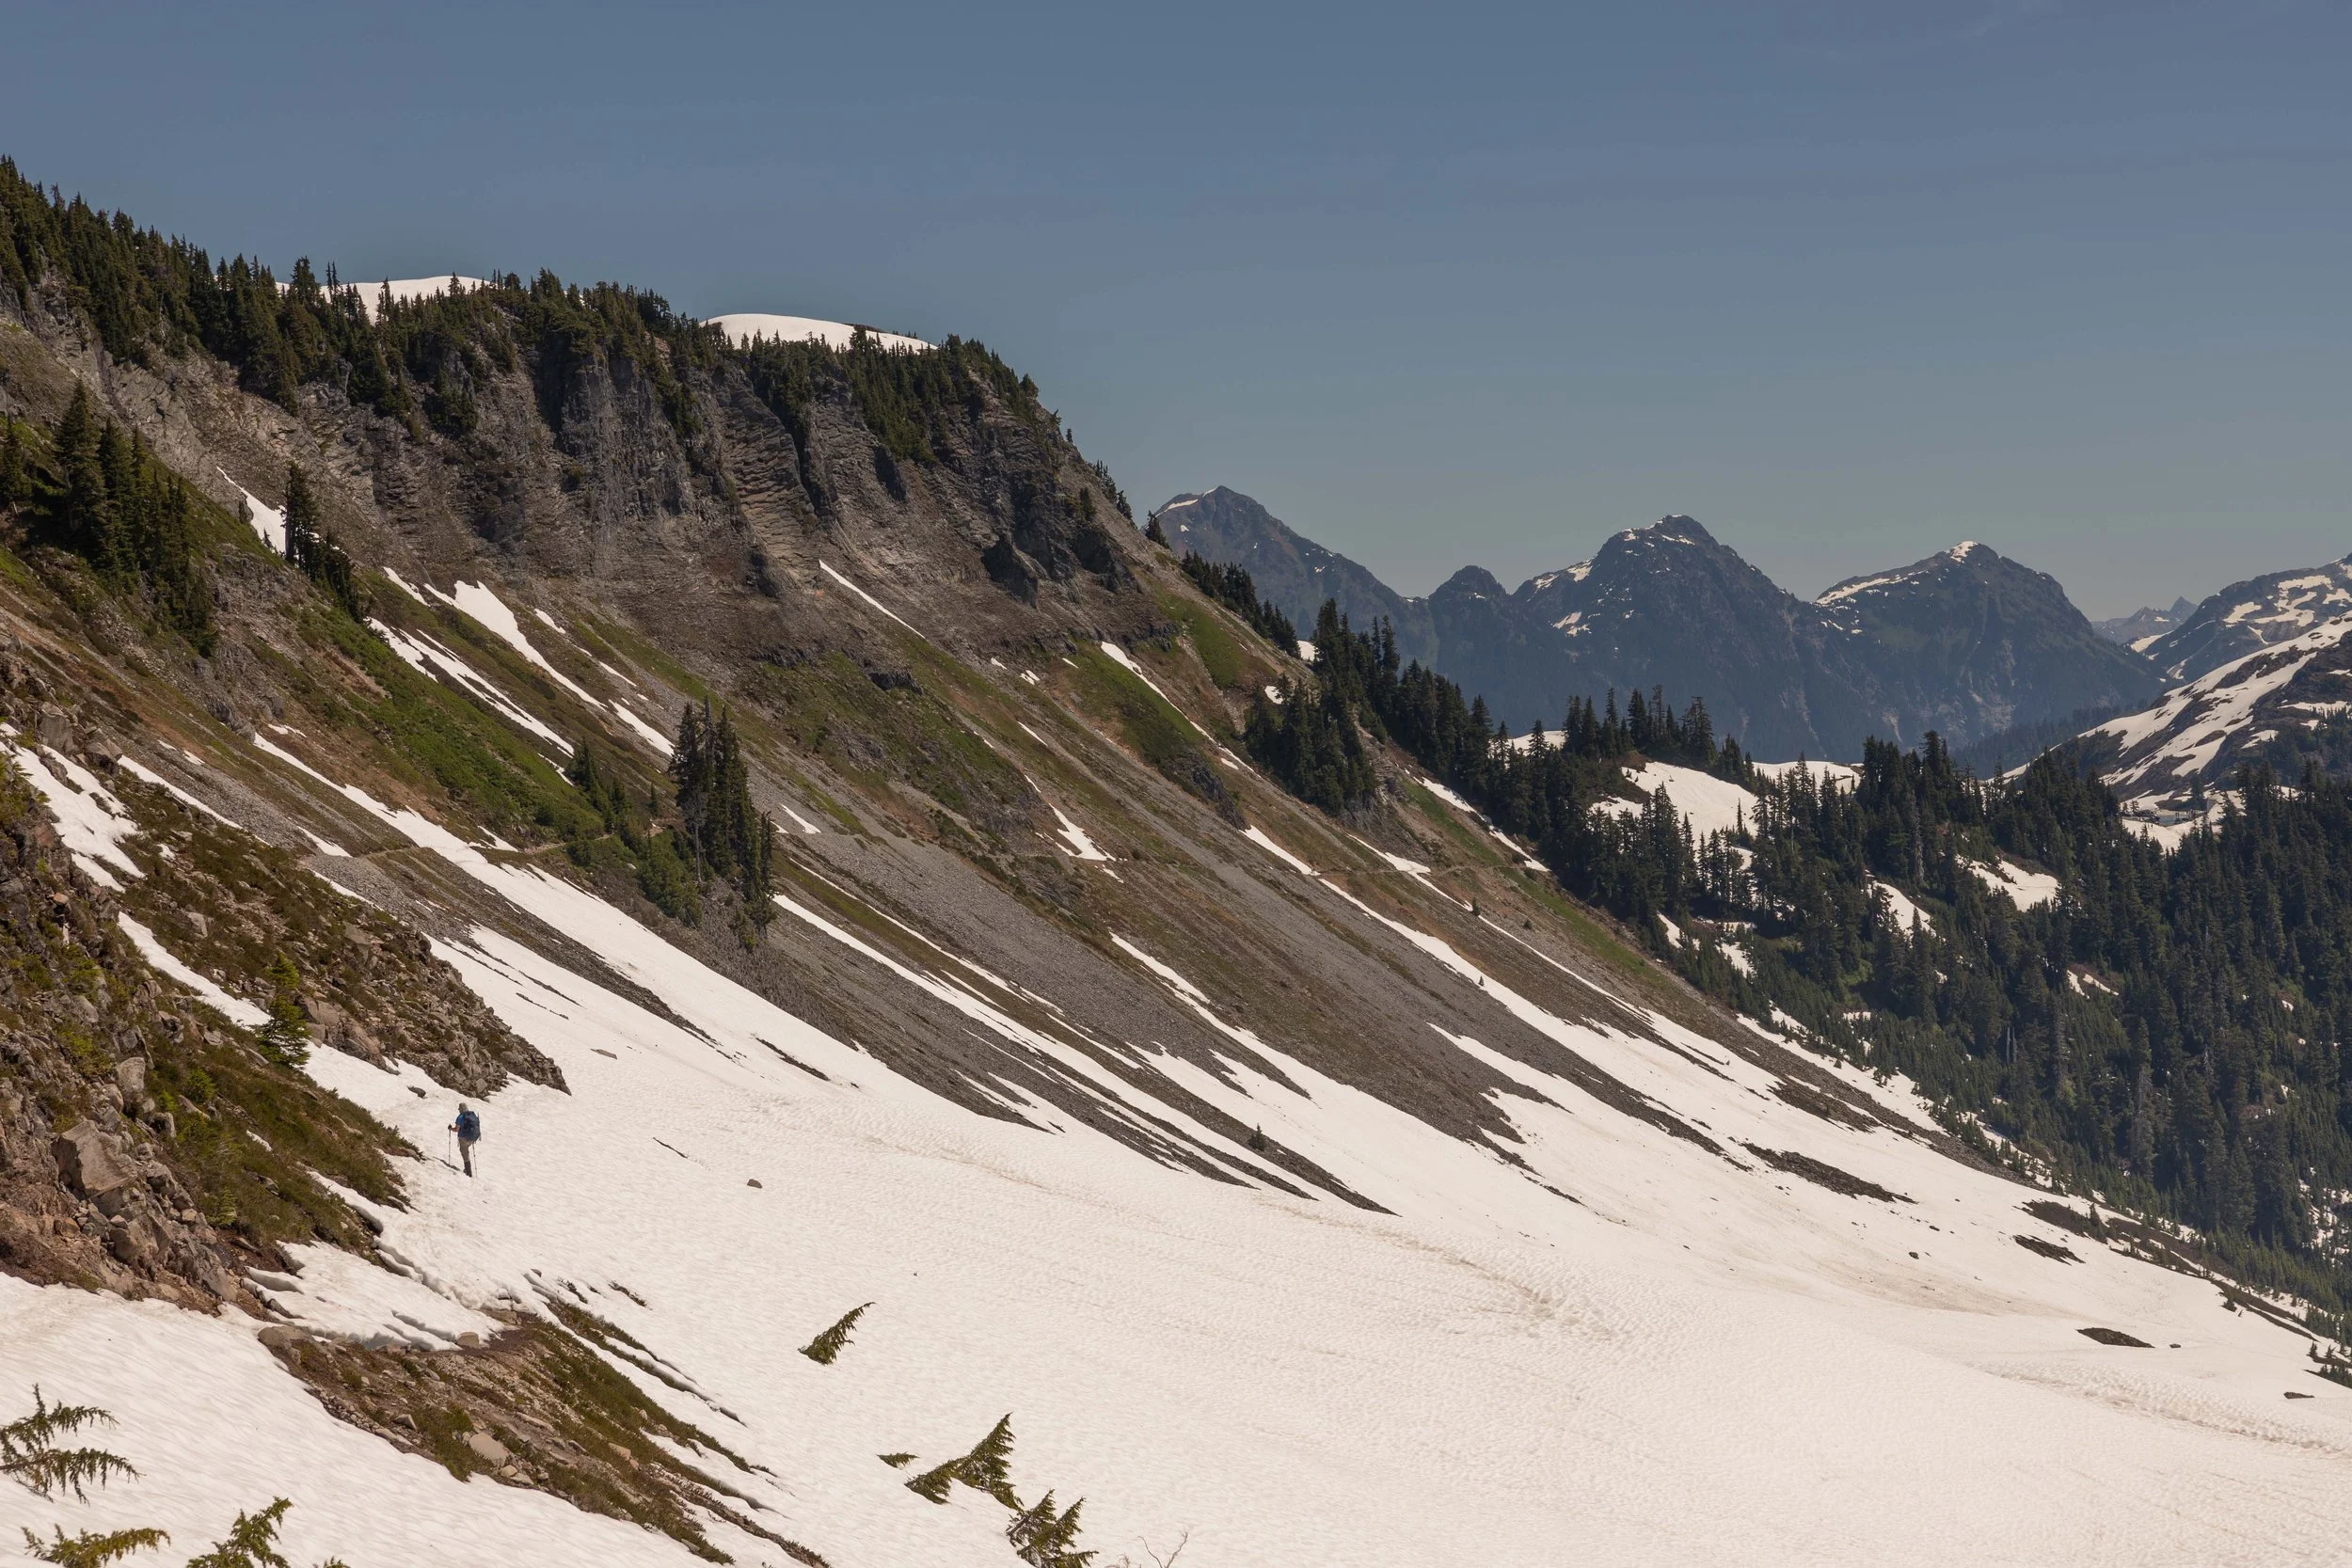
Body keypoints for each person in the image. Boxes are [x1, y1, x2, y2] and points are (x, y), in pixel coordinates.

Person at [451, 1103, 481, 1177]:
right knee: (466, 1152)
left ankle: (468, 1172)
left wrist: (450, 1128)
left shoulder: (460, 1117)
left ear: (461, 1109)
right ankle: (467, 1170)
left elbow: (456, 1129)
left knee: (465, 1154)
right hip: (472, 1138)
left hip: (463, 1138)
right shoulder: (472, 1115)